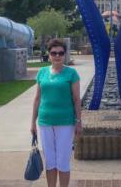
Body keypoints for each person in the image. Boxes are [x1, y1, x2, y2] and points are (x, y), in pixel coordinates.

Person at [31, 39, 81, 187]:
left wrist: (78, 122)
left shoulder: (71, 73)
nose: (57, 56)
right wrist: (32, 122)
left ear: (65, 55)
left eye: (60, 53)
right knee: (50, 162)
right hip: (45, 122)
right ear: (49, 54)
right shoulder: (42, 72)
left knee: (63, 161)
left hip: (66, 122)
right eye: (54, 53)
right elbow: (37, 99)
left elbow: (77, 100)